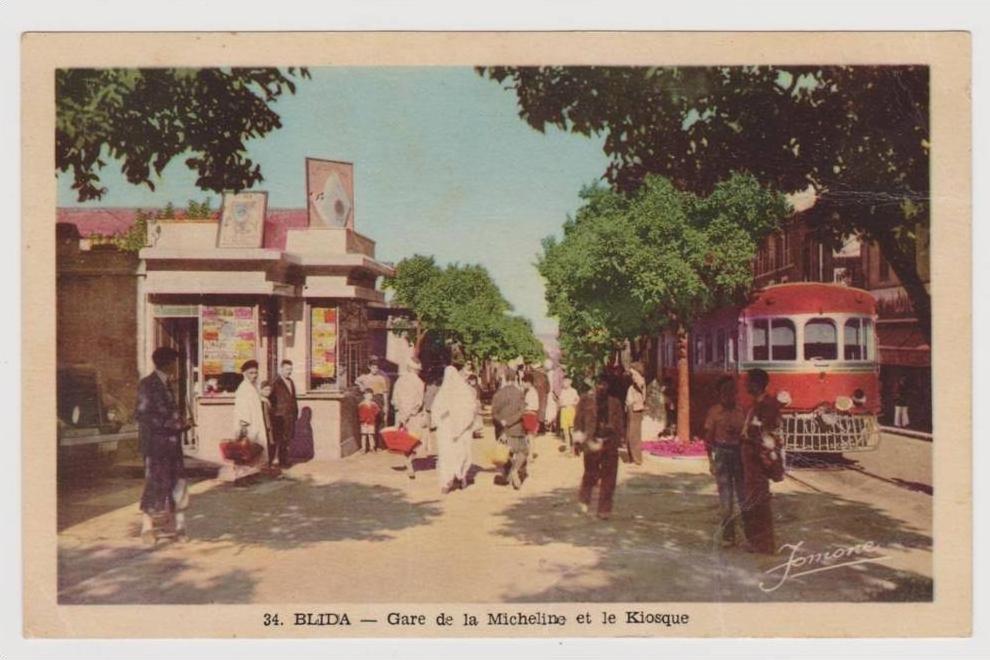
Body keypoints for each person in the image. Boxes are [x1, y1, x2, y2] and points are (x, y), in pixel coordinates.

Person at [135, 347, 190, 544]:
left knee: (177, 481)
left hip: (172, 443)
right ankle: (147, 527)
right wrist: (170, 424)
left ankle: (179, 526)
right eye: (174, 362)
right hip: (156, 445)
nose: (175, 366)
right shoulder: (147, 384)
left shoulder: (168, 384)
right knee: (155, 483)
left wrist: (181, 423)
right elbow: (142, 415)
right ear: (167, 363)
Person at [741, 368, 782, 554]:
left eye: (748, 382)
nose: (745, 385)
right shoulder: (758, 403)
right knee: (754, 501)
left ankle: (764, 544)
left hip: (758, 461)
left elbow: (767, 436)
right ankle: (758, 542)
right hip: (752, 460)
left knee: (759, 503)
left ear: (756, 385)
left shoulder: (767, 405)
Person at [573, 372, 625, 520]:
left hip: (609, 444)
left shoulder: (615, 403)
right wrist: (577, 442)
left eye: (605, 384)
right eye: (599, 384)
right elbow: (578, 422)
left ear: (609, 386)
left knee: (609, 478)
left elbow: (619, 425)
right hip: (591, 443)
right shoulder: (585, 401)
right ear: (594, 385)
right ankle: (584, 500)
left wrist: (616, 440)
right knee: (590, 474)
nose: (601, 387)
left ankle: (604, 509)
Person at [703, 376, 748, 548]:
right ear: (720, 394)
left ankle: (748, 535)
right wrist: (711, 461)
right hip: (722, 454)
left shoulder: (741, 410)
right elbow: (708, 439)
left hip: (738, 454)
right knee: (726, 499)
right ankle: (729, 536)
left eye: (733, 392)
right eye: (726, 392)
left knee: (743, 497)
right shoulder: (714, 412)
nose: (730, 396)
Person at [432, 365, 477, 494]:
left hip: (455, 431)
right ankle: (453, 480)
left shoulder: (460, 391)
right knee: (454, 455)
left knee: (452, 456)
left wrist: (456, 422)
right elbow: (437, 411)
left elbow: (469, 409)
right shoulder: (460, 391)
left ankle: (455, 479)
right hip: (451, 431)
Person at [491, 373, 528, 489]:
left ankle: (508, 474)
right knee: (523, 452)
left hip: (502, 429)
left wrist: (502, 421)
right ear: (515, 379)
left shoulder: (498, 394)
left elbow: (493, 413)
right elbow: (522, 411)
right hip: (516, 428)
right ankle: (515, 470)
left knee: (506, 452)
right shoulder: (519, 393)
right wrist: (511, 421)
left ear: (505, 379)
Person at [267, 359, 298, 468]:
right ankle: (270, 463)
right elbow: (269, 399)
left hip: (289, 416)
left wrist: (295, 413)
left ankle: (283, 461)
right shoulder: (275, 383)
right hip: (279, 417)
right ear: (281, 369)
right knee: (276, 441)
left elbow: (293, 399)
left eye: (290, 369)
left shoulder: (291, 382)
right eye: (286, 369)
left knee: (286, 440)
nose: (289, 372)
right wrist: (273, 414)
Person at [356, 360, 390, 446]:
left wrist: (385, 405)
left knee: (379, 421)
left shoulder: (381, 378)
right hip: (368, 399)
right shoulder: (365, 377)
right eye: (373, 367)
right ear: (369, 367)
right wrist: (362, 386)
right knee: (368, 421)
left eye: (376, 368)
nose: (375, 369)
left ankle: (379, 445)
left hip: (378, 399)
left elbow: (385, 392)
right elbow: (356, 381)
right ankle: (366, 445)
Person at [625, 362, 646, 465]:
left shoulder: (640, 380)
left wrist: (635, 372)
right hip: (630, 409)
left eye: (633, 373)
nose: (631, 375)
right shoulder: (632, 385)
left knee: (634, 435)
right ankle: (631, 458)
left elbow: (639, 382)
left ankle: (637, 460)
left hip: (636, 409)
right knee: (629, 434)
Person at [558, 377, 580, 454]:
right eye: (563, 382)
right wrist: (560, 404)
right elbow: (560, 401)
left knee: (572, 431)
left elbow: (577, 400)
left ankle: (574, 449)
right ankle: (567, 448)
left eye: (566, 381)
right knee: (565, 431)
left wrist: (573, 404)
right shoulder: (562, 391)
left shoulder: (573, 391)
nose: (564, 383)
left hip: (571, 410)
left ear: (570, 382)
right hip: (563, 411)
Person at [358, 389, 380, 454]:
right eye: (367, 395)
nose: (369, 397)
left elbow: (377, 411)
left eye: (370, 395)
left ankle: (372, 447)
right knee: (364, 435)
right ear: (364, 395)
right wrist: (363, 420)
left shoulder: (374, 404)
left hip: (371, 422)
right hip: (364, 422)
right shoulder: (361, 404)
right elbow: (360, 413)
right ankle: (363, 448)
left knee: (371, 435)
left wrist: (373, 417)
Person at [532, 360, 552, 433]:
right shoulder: (544, 375)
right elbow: (548, 388)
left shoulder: (532, 375)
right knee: (542, 411)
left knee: (534, 410)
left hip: (534, 396)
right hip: (543, 397)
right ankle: (541, 428)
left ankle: (535, 428)